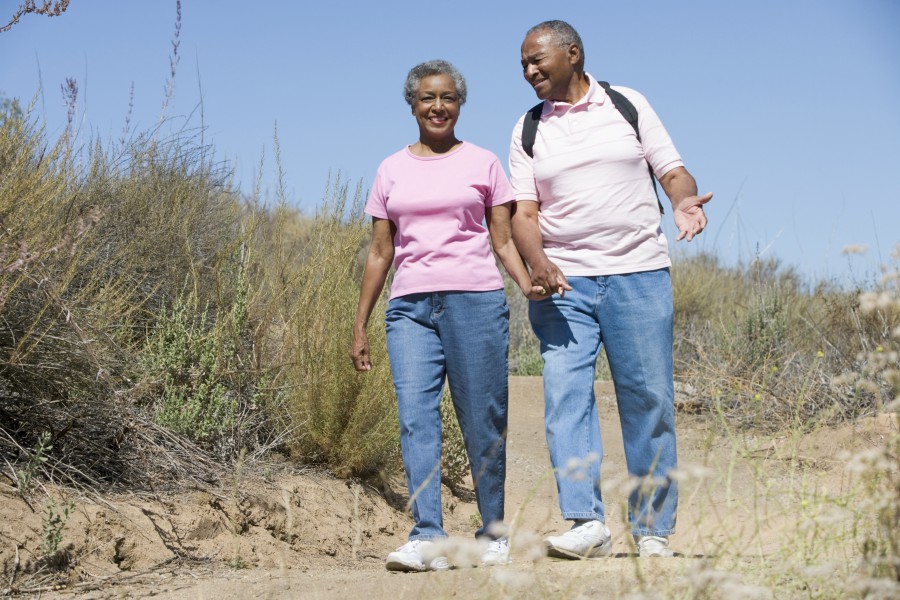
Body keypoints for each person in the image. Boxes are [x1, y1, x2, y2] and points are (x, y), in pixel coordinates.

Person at [508, 20, 712, 559]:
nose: (529, 72)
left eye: (537, 60)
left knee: (648, 400)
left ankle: (652, 529)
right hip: (564, 284)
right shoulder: (528, 128)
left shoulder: (628, 104)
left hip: (639, 274)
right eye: (523, 64)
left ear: (572, 54)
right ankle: (585, 522)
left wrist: (683, 202)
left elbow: (673, 171)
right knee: (564, 398)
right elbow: (524, 213)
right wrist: (539, 262)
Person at [351, 59, 540, 572]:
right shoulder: (390, 169)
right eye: (428, 98)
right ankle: (427, 536)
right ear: (412, 104)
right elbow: (378, 252)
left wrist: (526, 284)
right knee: (416, 419)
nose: (438, 106)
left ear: (460, 104)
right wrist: (360, 324)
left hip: (474, 303)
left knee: (482, 420)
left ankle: (493, 533)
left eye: (448, 98)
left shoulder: (483, 163)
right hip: (409, 309)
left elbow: (501, 238)